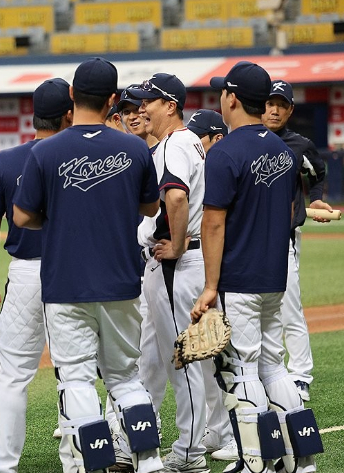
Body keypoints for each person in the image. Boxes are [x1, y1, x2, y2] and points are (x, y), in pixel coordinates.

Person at [14, 57, 164, 473]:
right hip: (120, 281)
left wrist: (61, 212)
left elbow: (23, 217)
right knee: (126, 379)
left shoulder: (46, 150)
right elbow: (151, 206)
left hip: (66, 283)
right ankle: (149, 461)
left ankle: (92, 465)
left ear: (70, 96)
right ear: (113, 100)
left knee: (76, 378)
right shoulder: (134, 147)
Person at [192, 61, 320, 473]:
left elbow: (213, 221)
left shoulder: (225, 150)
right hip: (274, 274)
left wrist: (210, 286)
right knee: (273, 365)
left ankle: (255, 463)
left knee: (241, 370)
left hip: (239, 278)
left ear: (231, 98)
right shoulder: (284, 151)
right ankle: (302, 460)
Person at [0, 78, 73, 473]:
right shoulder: (83, 157)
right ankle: (78, 460)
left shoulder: (8, 160)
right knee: (74, 372)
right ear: (69, 112)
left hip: (27, 274)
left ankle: (0, 466)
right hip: (73, 273)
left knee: (13, 374)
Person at [127, 73, 209, 473]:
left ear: (171, 106)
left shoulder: (175, 143)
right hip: (176, 264)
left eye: (150, 101)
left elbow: (176, 195)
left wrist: (175, 245)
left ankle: (191, 454)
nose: (142, 107)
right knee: (157, 359)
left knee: (183, 362)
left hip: (179, 262)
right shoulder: (183, 141)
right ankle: (140, 441)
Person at [262, 79, 332, 402]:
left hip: (286, 236)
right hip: (253, 237)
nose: (274, 109)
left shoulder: (298, 144)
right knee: (262, 310)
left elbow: (318, 171)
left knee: (289, 307)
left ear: (290, 110)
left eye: (281, 104)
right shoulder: (249, 140)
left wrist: (315, 198)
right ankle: (271, 373)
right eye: (269, 103)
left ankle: (301, 375)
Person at [186, 108, 238, 462]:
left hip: (226, 272)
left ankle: (238, 433)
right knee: (203, 353)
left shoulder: (225, 165)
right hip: (205, 268)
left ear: (216, 138)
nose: (192, 142)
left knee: (226, 354)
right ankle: (218, 430)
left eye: (198, 136)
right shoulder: (200, 165)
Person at [117, 85, 159, 149]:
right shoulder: (126, 153)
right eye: (126, 112)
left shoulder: (167, 147)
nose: (132, 117)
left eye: (137, 110)